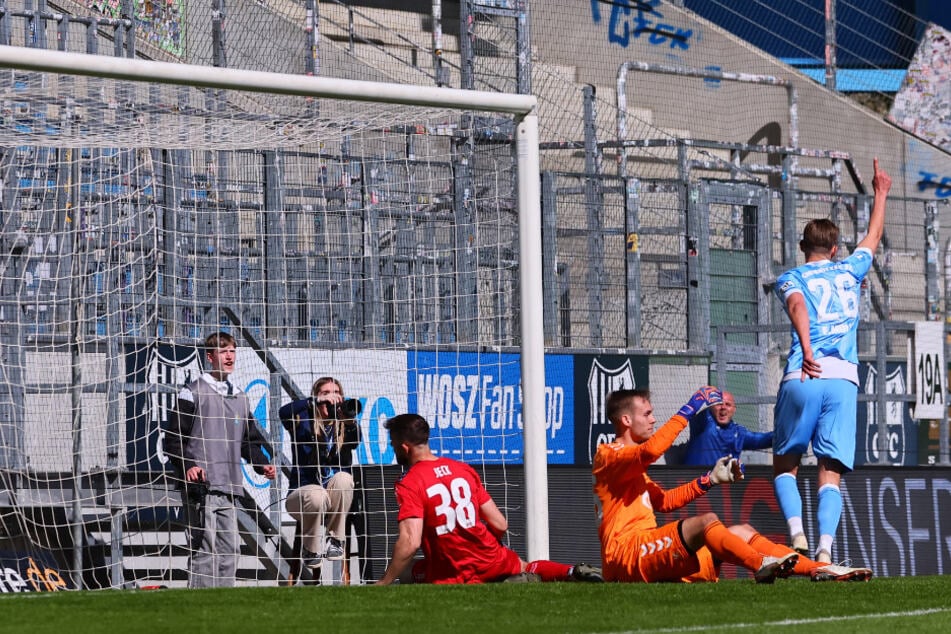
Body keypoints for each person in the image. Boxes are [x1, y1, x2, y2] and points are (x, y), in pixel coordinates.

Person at [593, 387, 871, 583]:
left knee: (742, 531)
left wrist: (710, 479)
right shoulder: (609, 456)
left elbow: (664, 502)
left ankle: (821, 569)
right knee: (705, 523)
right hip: (626, 555)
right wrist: (689, 409)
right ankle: (760, 564)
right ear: (626, 420)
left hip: (647, 552)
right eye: (648, 414)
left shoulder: (630, 468)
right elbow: (651, 451)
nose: (653, 419)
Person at [772, 159, 892, 563]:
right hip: (843, 380)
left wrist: (806, 350)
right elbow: (874, 235)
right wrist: (880, 193)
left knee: (785, 464)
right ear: (835, 249)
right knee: (830, 472)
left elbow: (797, 307)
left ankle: (796, 534)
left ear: (803, 247)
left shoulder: (791, 276)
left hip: (803, 374)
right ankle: (824, 550)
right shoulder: (849, 269)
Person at [375, 413, 603, 585]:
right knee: (526, 565)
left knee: (405, 572)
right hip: (488, 555)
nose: (394, 450)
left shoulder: (409, 481)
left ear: (405, 448)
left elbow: (410, 542)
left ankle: (500, 581)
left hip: (450, 566)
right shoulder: (462, 469)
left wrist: (384, 582)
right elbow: (500, 523)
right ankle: (571, 571)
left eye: (394, 445)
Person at [165, 331, 277, 589]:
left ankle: (223, 605)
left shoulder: (239, 396)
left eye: (233, 351)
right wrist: (188, 466)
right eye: (223, 351)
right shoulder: (192, 392)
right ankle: (198, 607)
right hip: (202, 486)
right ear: (210, 356)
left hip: (230, 487)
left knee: (230, 552)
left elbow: (248, 441)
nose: (229, 356)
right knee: (205, 550)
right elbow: (172, 440)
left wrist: (261, 464)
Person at [279, 376, 360, 567]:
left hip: (333, 501)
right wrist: (315, 402)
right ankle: (310, 548)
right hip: (302, 498)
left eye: (336, 393)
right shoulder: (303, 420)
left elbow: (355, 441)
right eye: (326, 394)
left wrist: (348, 421)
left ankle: (336, 540)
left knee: (344, 479)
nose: (331, 398)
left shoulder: (345, 425)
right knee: (317, 494)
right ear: (316, 397)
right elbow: (283, 413)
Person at [682, 390, 773, 467]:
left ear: (734, 409)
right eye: (719, 404)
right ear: (711, 408)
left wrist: (785, 431)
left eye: (728, 404)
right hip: (695, 481)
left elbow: (763, 439)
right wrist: (709, 391)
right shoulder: (704, 422)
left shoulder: (739, 433)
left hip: (723, 485)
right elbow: (698, 402)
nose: (723, 407)